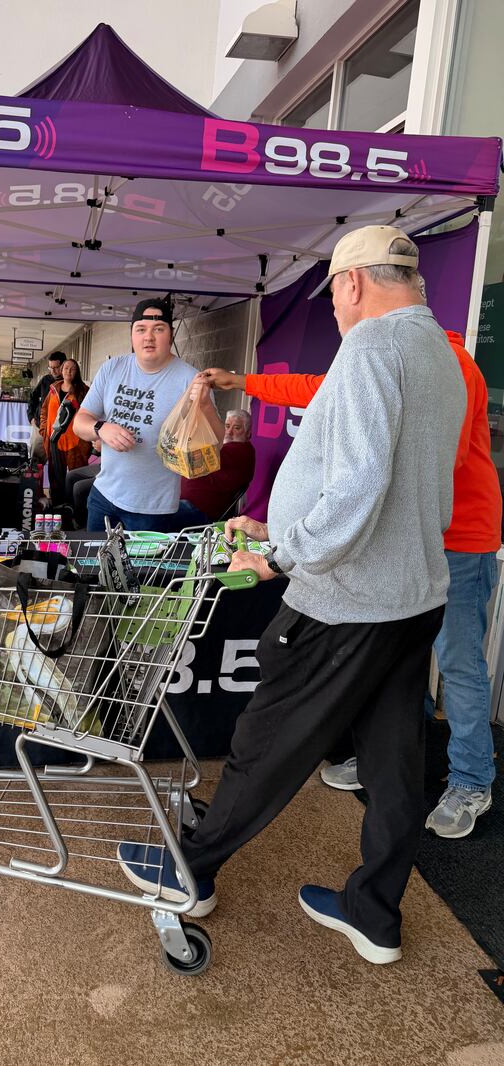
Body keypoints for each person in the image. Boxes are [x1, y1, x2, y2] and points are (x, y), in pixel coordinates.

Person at [117, 225, 466, 965]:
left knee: (266, 741)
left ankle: (190, 872)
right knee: (395, 764)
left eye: (334, 295)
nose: (335, 310)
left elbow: (359, 487)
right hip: (411, 594)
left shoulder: (371, 347)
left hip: (345, 599)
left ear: (352, 283)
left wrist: (280, 554)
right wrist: (281, 525)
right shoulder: (439, 349)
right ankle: (375, 913)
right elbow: (389, 479)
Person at [202, 322, 501, 839]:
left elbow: (429, 465)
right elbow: (317, 389)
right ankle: (385, 760)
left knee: (458, 664)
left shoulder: (448, 365)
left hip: (458, 542)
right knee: (397, 660)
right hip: (405, 540)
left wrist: (343, 500)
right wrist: (242, 382)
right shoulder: (382, 361)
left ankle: (472, 781)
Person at [74, 296, 222, 532]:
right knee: (96, 557)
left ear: (170, 335)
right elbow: (79, 422)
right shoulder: (112, 369)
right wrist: (101, 428)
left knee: (143, 560)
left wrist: (205, 406)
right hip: (103, 495)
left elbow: (217, 443)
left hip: (152, 510)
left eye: (158, 329)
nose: (149, 337)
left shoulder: (189, 380)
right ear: (132, 335)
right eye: (141, 329)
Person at [174, 409, 255, 526]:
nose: (229, 432)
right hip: (187, 504)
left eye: (237, 428)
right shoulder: (227, 449)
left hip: (202, 511)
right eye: (227, 426)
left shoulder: (242, 451)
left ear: (248, 434)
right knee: (154, 508)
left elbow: (197, 454)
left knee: (156, 514)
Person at [39, 358, 91, 507]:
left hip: (75, 442)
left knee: (77, 476)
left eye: (72, 368)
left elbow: (91, 413)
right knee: (55, 477)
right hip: (54, 440)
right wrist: (44, 429)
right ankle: (57, 506)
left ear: (77, 372)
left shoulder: (84, 391)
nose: (69, 371)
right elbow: (44, 410)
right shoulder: (53, 389)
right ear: (61, 370)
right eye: (66, 368)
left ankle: (74, 509)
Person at [27, 352, 65, 461]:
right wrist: (31, 417)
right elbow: (33, 397)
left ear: (63, 365)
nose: (53, 371)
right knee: (35, 459)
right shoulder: (46, 379)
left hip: (60, 429)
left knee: (58, 462)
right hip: (41, 426)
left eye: (56, 368)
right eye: (50, 367)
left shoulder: (69, 382)